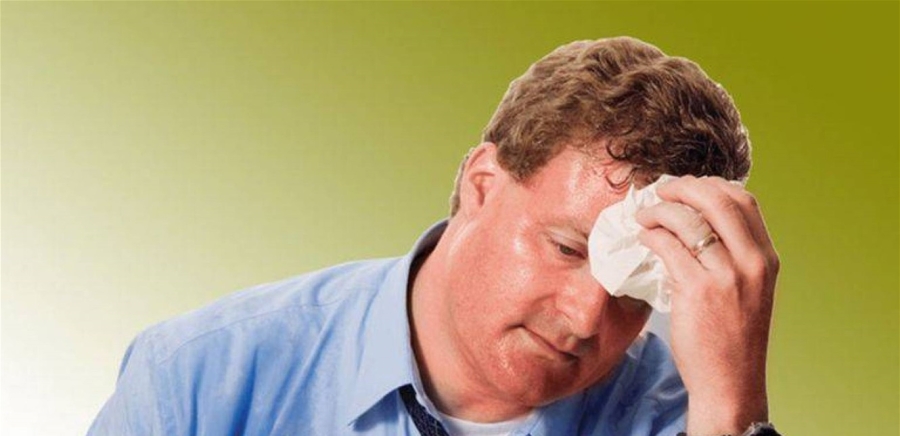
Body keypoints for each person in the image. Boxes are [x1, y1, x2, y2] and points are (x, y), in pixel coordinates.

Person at [88, 37, 780, 436]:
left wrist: (731, 407)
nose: (585, 316)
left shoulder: (687, 418)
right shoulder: (203, 378)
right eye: (567, 248)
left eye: (633, 291)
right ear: (481, 186)